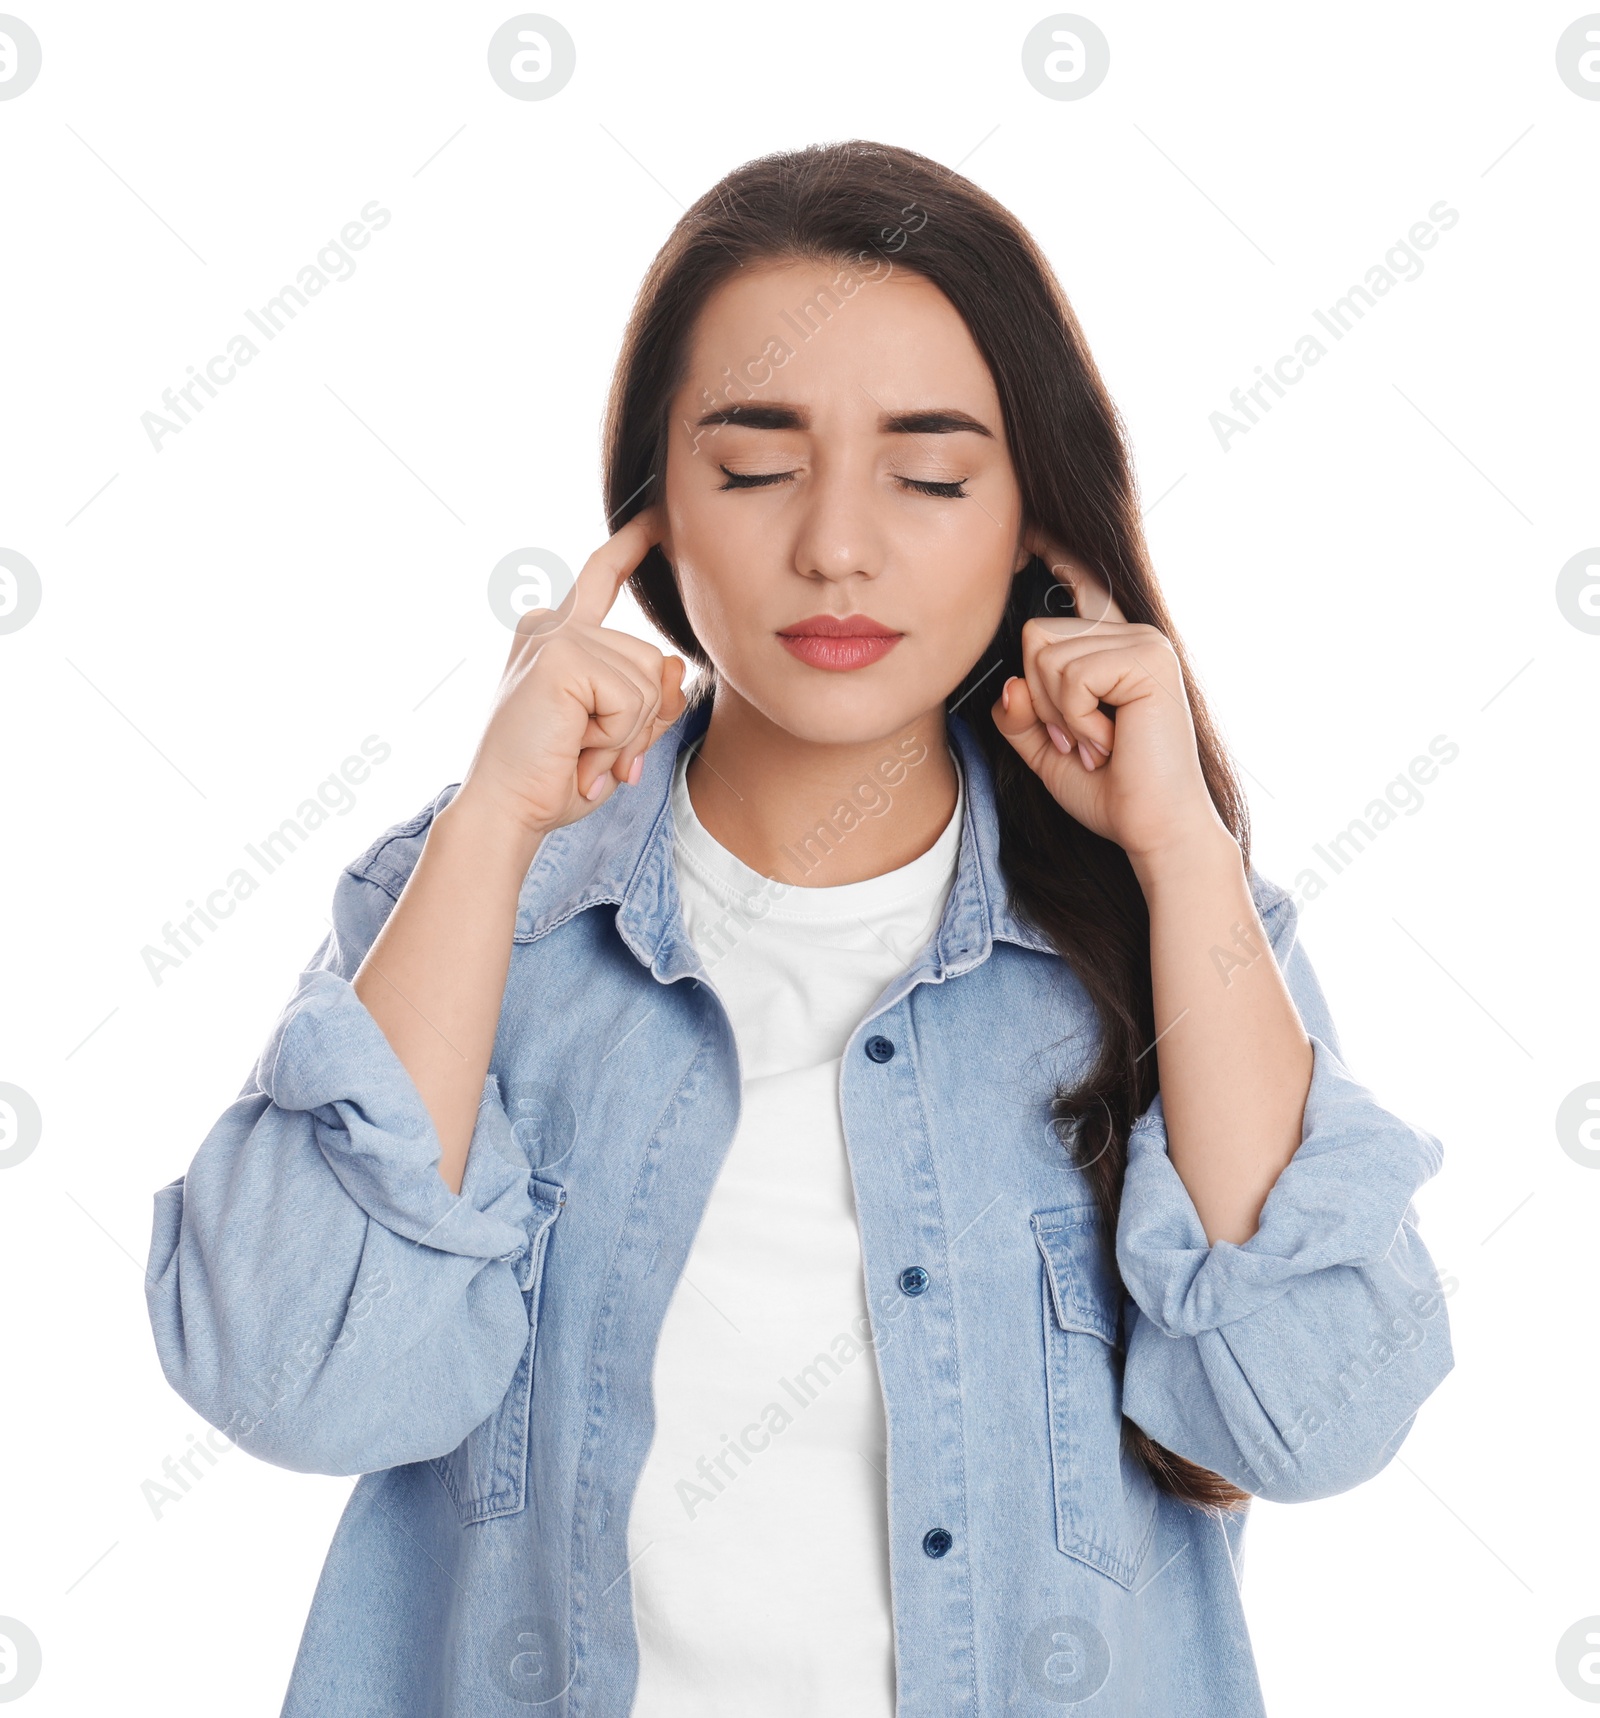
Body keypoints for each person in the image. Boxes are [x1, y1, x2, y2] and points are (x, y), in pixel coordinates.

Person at [145, 140, 1453, 1717]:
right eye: (757, 465)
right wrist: (495, 821)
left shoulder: (1170, 934)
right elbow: (294, 1377)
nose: (838, 543)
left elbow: (1312, 1419)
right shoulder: (482, 908)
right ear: (648, 518)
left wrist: (1182, 849)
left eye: (931, 473)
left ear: (1037, 522)